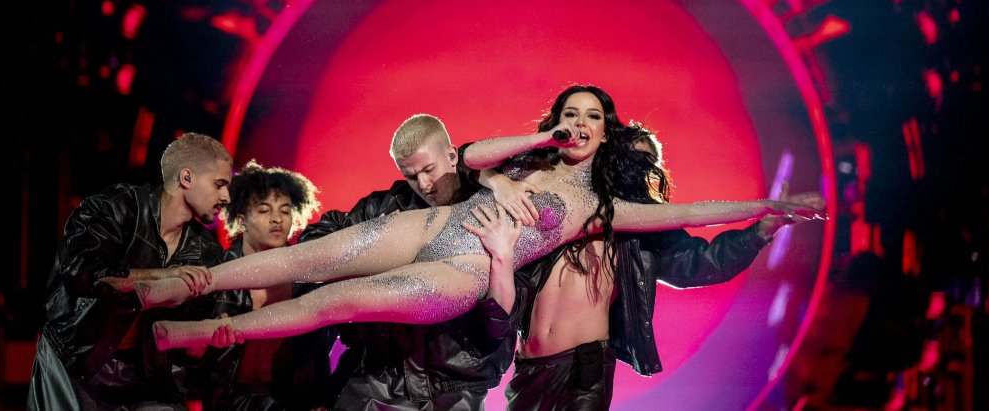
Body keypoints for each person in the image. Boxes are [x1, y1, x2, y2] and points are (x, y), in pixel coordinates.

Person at [137, 86, 824, 353]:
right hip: (434, 227)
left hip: (463, 269)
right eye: (571, 113)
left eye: (591, 117)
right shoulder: (526, 160)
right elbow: (470, 154)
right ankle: (183, 284)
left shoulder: (605, 208)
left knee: (334, 299)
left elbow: (696, 213)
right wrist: (538, 142)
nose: (579, 123)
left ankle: (198, 332)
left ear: (608, 133)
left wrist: (766, 208)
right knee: (305, 258)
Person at [461, 85, 824, 410]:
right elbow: (466, 161)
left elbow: (700, 256)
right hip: (529, 364)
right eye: (633, 158)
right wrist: (499, 183)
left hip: (584, 368)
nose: (638, 169)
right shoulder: (545, 190)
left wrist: (761, 226)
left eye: (646, 162)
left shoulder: (629, 218)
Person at [294, 113, 526, 410]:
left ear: (452, 156)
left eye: (429, 170)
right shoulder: (384, 206)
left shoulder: (488, 208)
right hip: (381, 376)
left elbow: (506, 312)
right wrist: (370, 249)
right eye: (411, 176)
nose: (424, 184)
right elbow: (314, 242)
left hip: (457, 381)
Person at [27, 132, 232, 411]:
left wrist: (209, 335)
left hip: (144, 379)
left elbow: (188, 349)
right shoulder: (115, 208)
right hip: (74, 365)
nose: (226, 196)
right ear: (186, 178)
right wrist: (164, 275)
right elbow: (81, 273)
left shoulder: (208, 251)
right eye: (219, 185)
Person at [199, 160, 320, 410]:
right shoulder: (214, 273)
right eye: (264, 210)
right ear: (241, 220)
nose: (277, 219)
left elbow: (318, 350)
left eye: (285, 211)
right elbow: (186, 356)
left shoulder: (306, 276)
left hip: (291, 399)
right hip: (228, 400)